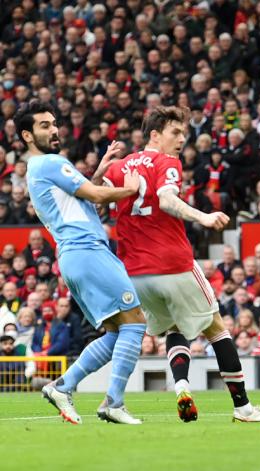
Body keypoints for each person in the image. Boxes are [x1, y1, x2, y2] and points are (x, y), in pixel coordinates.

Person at [104, 106, 260, 423]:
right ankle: (243, 407)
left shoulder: (120, 166)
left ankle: (181, 385)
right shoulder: (167, 162)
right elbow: (167, 199)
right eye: (175, 132)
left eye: (183, 133)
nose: (182, 139)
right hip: (172, 263)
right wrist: (204, 216)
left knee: (173, 327)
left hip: (134, 273)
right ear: (155, 134)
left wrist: (103, 165)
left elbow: (94, 195)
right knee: (216, 328)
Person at [19, 100, 146, 425]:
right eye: (44, 125)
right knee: (135, 323)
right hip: (86, 250)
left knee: (118, 331)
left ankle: (63, 386)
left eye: (53, 122)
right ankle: (113, 403)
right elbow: (96, 196)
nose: (54, 129)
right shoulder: (49, 163)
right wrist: (130, 188)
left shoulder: (39, 169)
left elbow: (79, 197)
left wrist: (101, 169)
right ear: (27, 135)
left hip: (76, 255)